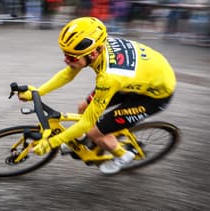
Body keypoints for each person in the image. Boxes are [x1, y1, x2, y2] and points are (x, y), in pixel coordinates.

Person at [18, 17, 176, 175]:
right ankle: (80, 140)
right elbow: (68, 74)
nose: (66, 61)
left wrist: (52, 143)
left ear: (94, 53)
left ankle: (123, 156)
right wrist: (36, 92)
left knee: (94, 132)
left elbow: (87, 122)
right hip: (137, 80)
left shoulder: (108, 78)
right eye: (65, 54)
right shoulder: (98, 44)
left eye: (72, 57)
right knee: (83, 107)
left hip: (154, 97)